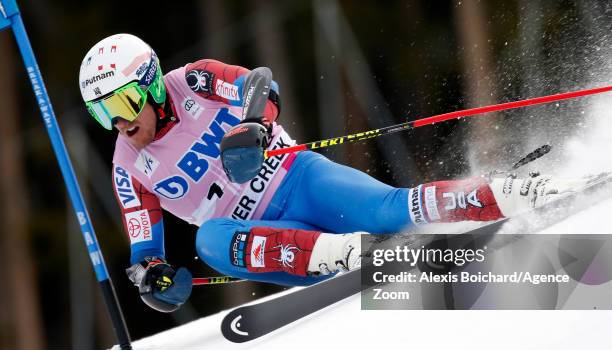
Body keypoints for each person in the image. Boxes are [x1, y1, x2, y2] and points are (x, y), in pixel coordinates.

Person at [79, 33, 586, 313]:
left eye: (122, 102)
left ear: (148, 85)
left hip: (300, 180)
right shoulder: (129, 167)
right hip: (272, 239)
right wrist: (152, 277)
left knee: (394, 209)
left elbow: (259, 84)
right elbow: (144, 246)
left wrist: (254, 127)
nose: (119, 122)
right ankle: (346, 255)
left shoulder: (192, 81)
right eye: (103, 114)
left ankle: (518, 192)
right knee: (210, 240)